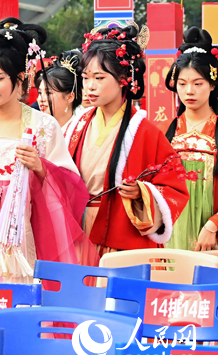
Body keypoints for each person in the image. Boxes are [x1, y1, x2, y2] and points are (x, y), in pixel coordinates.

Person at [0, 19, 88, 283]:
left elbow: (71, 185)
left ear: (20, 78)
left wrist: (41, 167)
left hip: (20, 229)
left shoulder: (42, 125)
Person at [70, 24, 189, 263]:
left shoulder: (145, 132)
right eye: (85, 78)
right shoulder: (77, 126)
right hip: (79, 228)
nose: (89, 86)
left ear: (124, 79)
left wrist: (142, 192)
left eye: (99, 78)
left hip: (122, 237)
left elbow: (175, 187)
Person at [164, 27, 218, 251]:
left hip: (211, 236)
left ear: (213, 84)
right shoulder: (166, 130)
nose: (189, 91)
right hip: (172, 234)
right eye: (183, 84)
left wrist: (214, 225)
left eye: (198, 83)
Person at [36, 50, 85, 138]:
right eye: (40, 93)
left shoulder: (81, 133)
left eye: (48, 93)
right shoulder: (35, 128)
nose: (41, 99)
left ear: (70, 97)